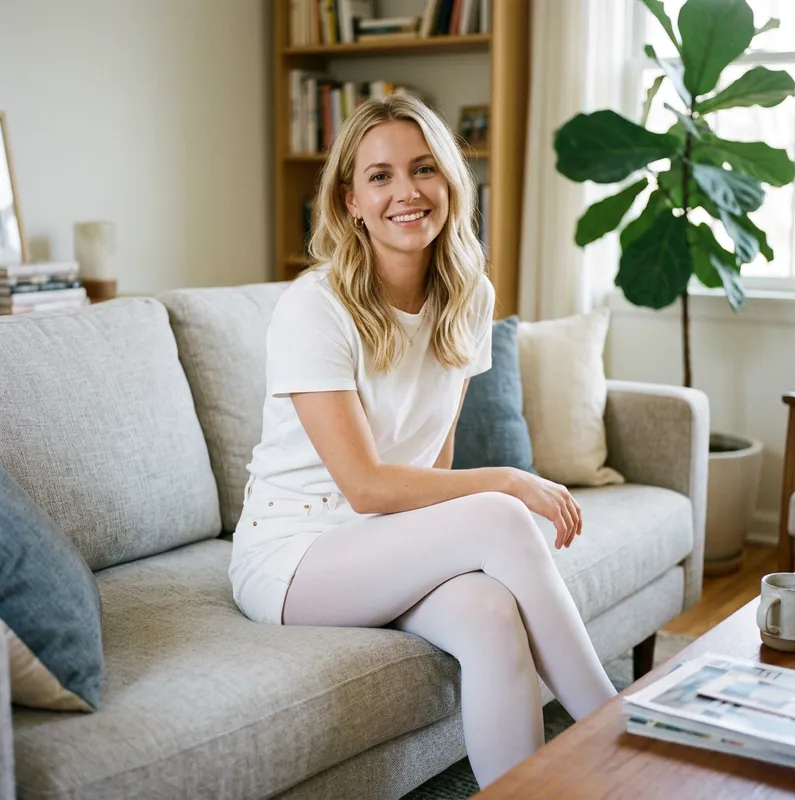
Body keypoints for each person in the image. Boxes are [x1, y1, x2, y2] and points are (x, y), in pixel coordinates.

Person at [229, 93, 617, 789]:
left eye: (423, 168)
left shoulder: (468, 298)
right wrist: (507, 481)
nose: (406, 192)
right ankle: (620, 742)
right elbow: (369, 486)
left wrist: (458, 538)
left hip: (383, 541)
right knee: (500, 513)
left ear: (450, 183)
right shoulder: (313, 307)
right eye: (379, 176)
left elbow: (431, 463)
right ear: (350, 200)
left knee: (494, 615)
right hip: (294, 555)